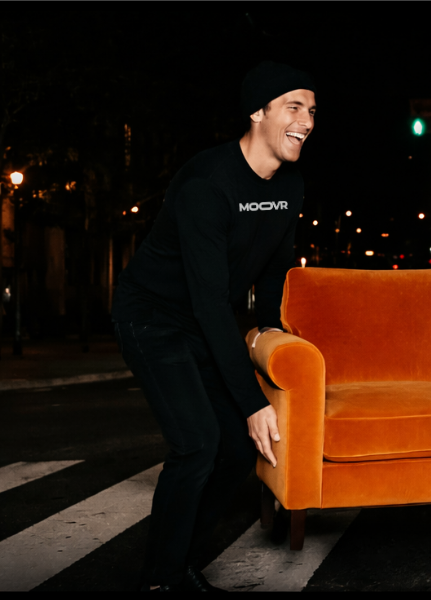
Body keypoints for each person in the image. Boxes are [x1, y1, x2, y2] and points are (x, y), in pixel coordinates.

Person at [111, 61, 315, 592]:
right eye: (294, 107)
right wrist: (252, 402)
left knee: (235, 448)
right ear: (258, 111)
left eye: (312, 111)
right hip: (153, 316)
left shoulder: (289, 185)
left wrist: (271, 337)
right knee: (198, 443)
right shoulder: (207, 184)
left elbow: (275, 272)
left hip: (204, 319)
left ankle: (178, 563)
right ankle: (162, 579)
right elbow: (208, 302)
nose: (307, 121)